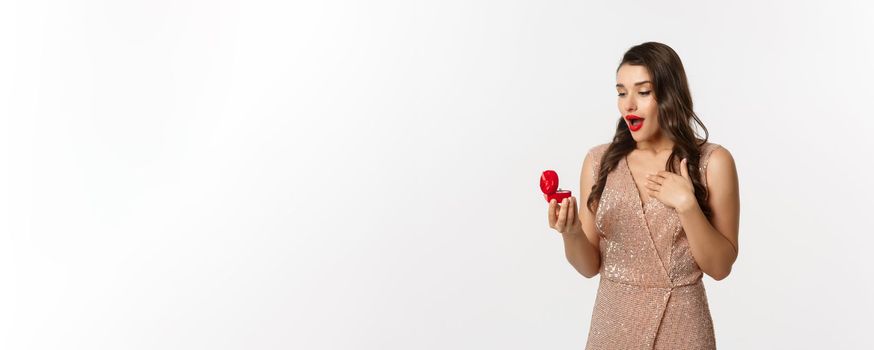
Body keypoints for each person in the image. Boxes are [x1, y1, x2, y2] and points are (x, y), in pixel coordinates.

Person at [547, 42, 740, 349]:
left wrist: (688, 205)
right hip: (612, 327)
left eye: (643, 91)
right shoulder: (599, 162)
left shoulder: (712, 162)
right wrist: (570, 234)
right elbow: (587, 267)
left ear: (670, 94)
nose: (629, 105)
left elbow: (720, 268)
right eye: (622, 92)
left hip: (683, 327)